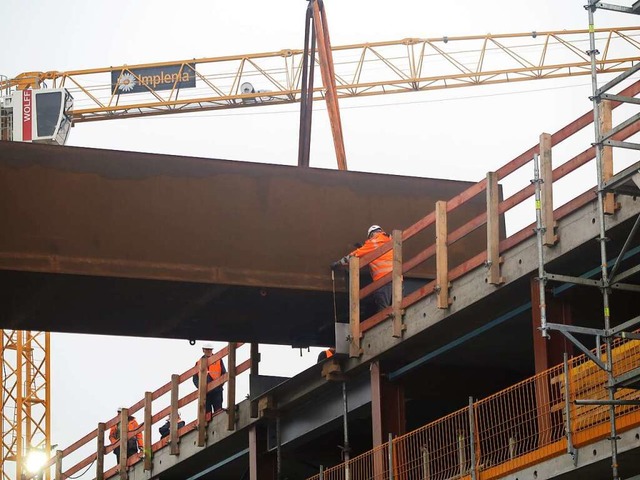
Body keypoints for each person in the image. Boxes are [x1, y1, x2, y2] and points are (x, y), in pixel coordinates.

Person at [333, 225, 394, 312]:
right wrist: (364, 248)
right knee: (398, 306)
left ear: (372, 234)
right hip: (397, 278)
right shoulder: (390, 241)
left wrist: (339, 263)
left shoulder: (373, 242)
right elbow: (381, 255)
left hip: (382, 280)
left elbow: (355, 254)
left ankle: (386, 325)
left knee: (383, 309)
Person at [192, 342, 227, 414]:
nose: (208, 351)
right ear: (203, 350)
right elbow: (195, 378)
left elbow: (224, 373)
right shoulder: (198, 363)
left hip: (217, 390)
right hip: (205, 392)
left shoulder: (218, 360)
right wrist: (200, 388)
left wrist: (220, 384)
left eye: (210, 350)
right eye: (207, 349)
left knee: (218, 411)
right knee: (207, 414)